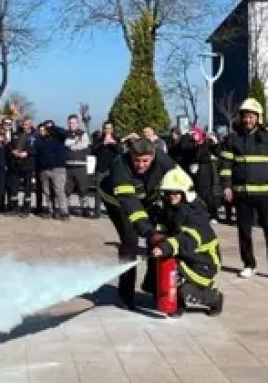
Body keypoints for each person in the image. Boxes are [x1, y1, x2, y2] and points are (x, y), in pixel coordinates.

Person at [97, 138, 176, 310]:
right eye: (137, 160)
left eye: (145, 161)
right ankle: (125, 295)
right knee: (130, 240)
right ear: (130, 156)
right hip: (117, 202)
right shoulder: (120, 165)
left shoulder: (165, 162)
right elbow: (130, 203)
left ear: (153, 156)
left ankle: (152, 285)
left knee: (159, 238)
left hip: (146, 199)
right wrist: (147, 231)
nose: (140, 165)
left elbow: (180, 184)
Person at [220, 98, 268, 281]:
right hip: (242, 194)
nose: (248, 120)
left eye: (251, 116)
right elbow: (225, 165)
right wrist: (226, 186)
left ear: (258, 118)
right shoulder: (232, 139)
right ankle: (249, 264)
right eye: (245, 116)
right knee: (244, 231)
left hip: (266, 194)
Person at [149, 168, 224, 316]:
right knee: (161, 269)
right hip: (185, 256)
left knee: (184, 291)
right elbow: (164, 226)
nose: (172, 197)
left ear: (185, 193)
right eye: (169, 193)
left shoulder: (195, 215)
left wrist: (166, 246)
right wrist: (156, 237)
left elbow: (187, 240)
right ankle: (176, 303)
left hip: (203, 262)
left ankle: (214, 298)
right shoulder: (171, 209)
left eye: (176, 193)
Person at [90, 121, 123, 217]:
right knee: (98, 191)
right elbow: (93, 151)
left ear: (112, 129)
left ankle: (113, 211)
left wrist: (114, 143)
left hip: (113, 169)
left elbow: (120, 151)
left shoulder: (116, 139)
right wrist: (103, 144)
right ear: (103, 129)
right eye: (106, 128)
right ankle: (97, 212)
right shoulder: (98, 139)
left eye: (110, 128)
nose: (108, 130)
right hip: (101, 168)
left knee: (113, 192)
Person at [63, 115, 93, 217]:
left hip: (80, 166)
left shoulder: (83, 134)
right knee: (67, 189)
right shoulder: (65, 134)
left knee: (83, 188)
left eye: (74, 123)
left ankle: (85, 209)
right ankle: (66, 209)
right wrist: (75, 143)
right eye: (70, 123)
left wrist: (73, 146)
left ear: (78, 123)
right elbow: (65, 144)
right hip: (68, 166)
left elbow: (85, 145)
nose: (72, 125)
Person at [8, 119, 37, 217]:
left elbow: (38, 149)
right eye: (24, 124)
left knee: (27, 188)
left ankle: (26, 209)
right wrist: (13, 151)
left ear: (31, 124)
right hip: (16, 165)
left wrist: (27, 153)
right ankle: (14, 208)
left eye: (28, 124)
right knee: (14, 188)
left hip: (28, 165)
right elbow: (10, 146)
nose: (25, 126)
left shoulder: (35, 135)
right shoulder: (16, 134)